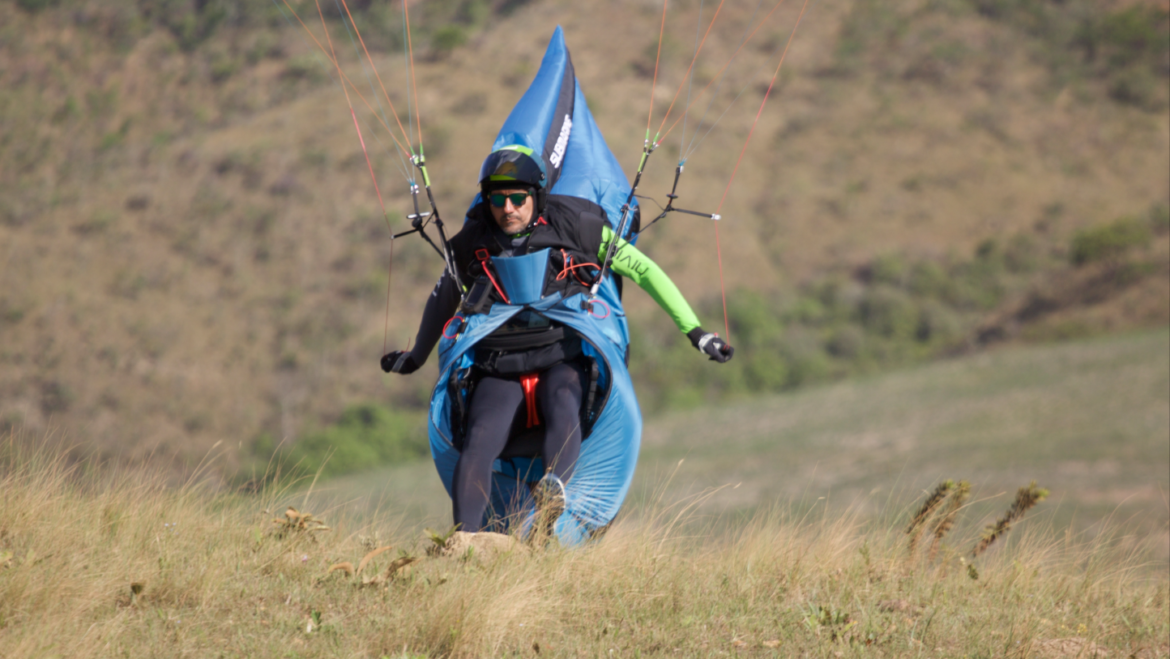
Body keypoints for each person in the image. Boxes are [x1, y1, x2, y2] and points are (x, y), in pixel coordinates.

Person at [381, 145, 733, 532]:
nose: (508, 208)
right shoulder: (471, 242)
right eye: (497, 199)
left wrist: (695, 333)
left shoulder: (575, 226)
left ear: (537, 196)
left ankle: (552, 503)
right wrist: (415, 356)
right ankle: (465, 541)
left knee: (564, 400)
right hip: (498, 365)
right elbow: (444, 297)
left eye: (518, 198)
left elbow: (643, 270)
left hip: (560, 356)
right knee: (480, 435)